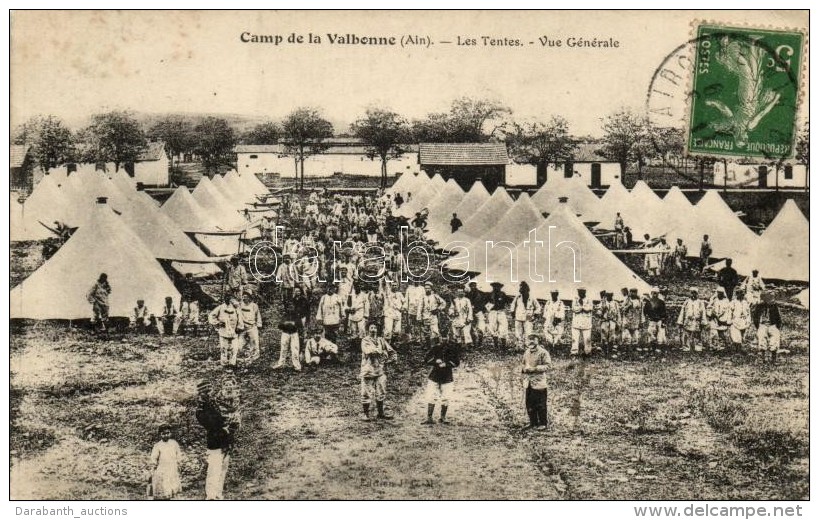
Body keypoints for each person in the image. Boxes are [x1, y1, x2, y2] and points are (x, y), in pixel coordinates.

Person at [195, 379, 239, 500]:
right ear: (201, 394)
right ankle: (210, 496)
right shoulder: (201, 410)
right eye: (206, 392)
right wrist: (225, 427)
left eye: (210, 391)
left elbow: (228, 412)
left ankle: (218, 494)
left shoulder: (213, 403)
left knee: (223, 469)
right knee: (214, 469)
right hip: (215, 441)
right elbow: (212, 425)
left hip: (225, 439)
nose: (209, 394)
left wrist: (229, 424)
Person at [359, 324, 397, 421]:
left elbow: (392, 351)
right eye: (371, 328)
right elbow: (368, 351)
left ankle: (380, 413)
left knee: (381, 391)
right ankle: (365, 414)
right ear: (368, 330)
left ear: (377, 330)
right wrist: (381, 352)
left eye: (375, 328)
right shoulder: (365, 340)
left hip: (380, 369)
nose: (373, 329)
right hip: (368, 369)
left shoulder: (381, 340)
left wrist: (391, 359)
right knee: (366, 392)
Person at [422, 337, 460, 425]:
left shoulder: (452, 349)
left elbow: (457, 362)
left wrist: (446, 364)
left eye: (446, 337)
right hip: (435, 375)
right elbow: (426, 359)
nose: (444, 340)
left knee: (446, 396)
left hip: (447, 375)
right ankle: (429, 417)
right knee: (431, 395)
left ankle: (443, 417)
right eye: (442, 338)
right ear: (440, 338)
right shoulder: (435, 348)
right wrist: (435, 361)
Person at [521, 334, 552, 430]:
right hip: (529, 382)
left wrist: (534, 369)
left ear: (537, 341)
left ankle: (543, 423)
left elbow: (548, 366)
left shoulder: (543, 352)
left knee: (541, 404)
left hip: (539, 383)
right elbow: (523, 364)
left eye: (533, 340)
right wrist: (524, 370)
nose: (531, 342)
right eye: (529, 340)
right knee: (529, 403)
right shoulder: (526, 352)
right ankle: (533, 422)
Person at [208, 295, 245, 368]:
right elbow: (211, 315)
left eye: (229, 298)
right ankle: (224, 363)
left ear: (231, 299)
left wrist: (239, 327)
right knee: (223, 347)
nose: (228, 299)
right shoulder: (220, 307)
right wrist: (217, 322)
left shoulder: (235, 307)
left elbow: (240, 317)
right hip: (223, 330)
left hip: (234, 331)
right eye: (226, 298)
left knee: (234, 348)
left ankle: (232, 363)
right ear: (224, 299)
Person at [149, 425, 182, 500]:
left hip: (172, 468)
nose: (166, 435)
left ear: (170, 433)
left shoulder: (174, 443)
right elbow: (154, 458)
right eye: (163, 433)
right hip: (163, 469)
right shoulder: (158, 445)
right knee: (164, 487)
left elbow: (178, 454)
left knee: (172, 486)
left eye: (168, 433)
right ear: (160, 434)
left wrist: (179, 463)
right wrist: (153, 467)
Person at [752, 291, 782, 364]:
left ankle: (773, 359)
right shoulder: (759, 306)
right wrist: (758, 326)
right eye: (770, 298)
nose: (772, 299)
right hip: (762, 325)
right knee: (762, 340)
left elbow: (778, 317)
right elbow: (755, 316)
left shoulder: (774, 306)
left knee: (774, 340)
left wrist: (777, 327)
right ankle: (762, 359)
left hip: (772, 325)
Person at [511, 281, 541, 349]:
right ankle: (519, 346)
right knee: (518, 333)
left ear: (527, 290)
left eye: (524, 290)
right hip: (518, 317)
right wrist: (512, 313)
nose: (522, 291)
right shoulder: (518, 297)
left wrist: (535, 314)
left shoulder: (532, 298)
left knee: (528, 333)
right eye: (521, 290)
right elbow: (513, 305)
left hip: (528, 318)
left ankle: (528, 347)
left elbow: (538, 307)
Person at [677, 287, 707, 352]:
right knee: (686, 334)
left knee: (697, 334)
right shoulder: (687, 302)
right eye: (692, 293)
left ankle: (698, 347)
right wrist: (680, 321)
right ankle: (686, 347)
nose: (693, 295)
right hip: (688, 320)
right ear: (690, 294)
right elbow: (682, 311)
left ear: (697, 294)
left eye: (695, 293)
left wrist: (703, 321)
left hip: (696, 320)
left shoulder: (700, 302)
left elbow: (703, 312)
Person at [238, 290, 263, 362]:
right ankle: (244, 355)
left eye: (246, 297)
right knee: (240, 343)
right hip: (242, 327)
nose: (244, 298)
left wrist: (259, 324)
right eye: (243, 297)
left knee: (254, 341)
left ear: (249, 298)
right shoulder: (240, 305)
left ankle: (255, 356)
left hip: (252, 327)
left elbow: (258, 316)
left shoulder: (254, 306)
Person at [571, 288, 593, 357]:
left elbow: (589, 309)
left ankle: (587, 352)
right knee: (574, 339)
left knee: (587, 339)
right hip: (576, 322)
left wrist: (582, 307)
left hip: (586, 322)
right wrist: (582, 308)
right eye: (579, 292)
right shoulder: (575, 300)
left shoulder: (589, 300)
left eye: (582, 292)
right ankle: (574, 352)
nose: (580, 293)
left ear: (585, 292)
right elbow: (574, 309)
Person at [486, 282, 510, 349]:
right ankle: (496, 345)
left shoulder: (503, 294)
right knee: (493, 327)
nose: (496, 288)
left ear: (500, 287)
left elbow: (508, 300)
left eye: (498, 287)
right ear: (493, 287)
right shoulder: (489, 295)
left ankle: (503, 345)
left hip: (501, 312)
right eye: (495, 287)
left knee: (504, 327)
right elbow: (485, 303)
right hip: (492, 312)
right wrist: (488, 308)